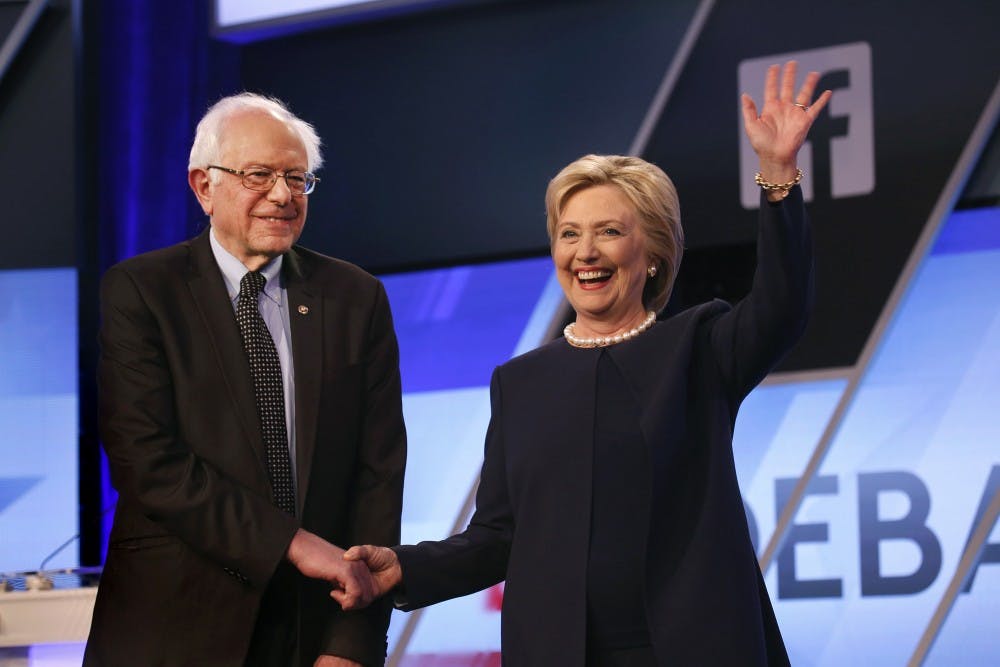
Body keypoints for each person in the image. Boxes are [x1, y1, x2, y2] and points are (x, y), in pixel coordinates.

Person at [342, 61, 830, 665]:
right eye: (569, 234)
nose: (586, 253)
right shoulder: (520, 384)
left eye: (607, 232)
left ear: (652, 252)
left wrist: (779, 175)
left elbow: (783, 307)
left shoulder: (700, 348)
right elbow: (498, 538)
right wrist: (405, 567)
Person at [84, 93, 406, 667]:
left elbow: (378, 475)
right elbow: (145, 460)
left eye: (297, 179)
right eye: (259, 176)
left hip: (311, 629)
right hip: (172, 627)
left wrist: (354, 643)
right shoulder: (142, 291)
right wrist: (290, 542)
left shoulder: (355, 297)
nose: (282, 196)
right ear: (204, 186)